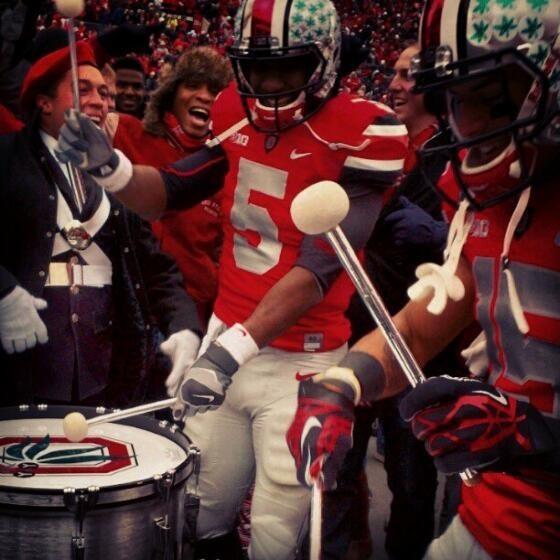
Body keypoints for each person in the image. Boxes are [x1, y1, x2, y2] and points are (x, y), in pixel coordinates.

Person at [54, 0, 408, 557]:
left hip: (301, 361)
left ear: (324, 62)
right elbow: (169, 190)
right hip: (229, 334)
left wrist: (228, 350)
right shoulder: (233, 111)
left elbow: (319, 266)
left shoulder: (366, 129)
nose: (267, 84)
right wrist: (110, 167)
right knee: (198, 510)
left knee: (272, 532)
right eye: (257, 67)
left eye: (286, 68)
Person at [287, 1, 560, 559]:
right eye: (458, 100)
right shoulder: (487, 200)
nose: (472, 124)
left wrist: (533, 436)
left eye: (494, 97)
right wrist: (344, 384)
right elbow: (414, 332)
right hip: (495, 512)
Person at [0, 42, 202, 408]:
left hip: (105, 375)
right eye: (84, 90)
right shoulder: (6, 158)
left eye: (104, 93)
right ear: (44, 103)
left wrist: (184, 327)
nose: (100, 101)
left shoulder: (121, 174)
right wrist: (3, 293)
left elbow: (155, 266)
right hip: (18, 375)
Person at [318, 41, 454, 560]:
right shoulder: (373, 140)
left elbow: (476, 250)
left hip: (418, 344)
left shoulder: (457, 152)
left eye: (407, 76)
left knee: (411, 482)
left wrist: (440, 234)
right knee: (336, 470)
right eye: (393, 73)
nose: (394, 85)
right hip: (353, 333)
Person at [110, 46, 232, 327]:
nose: (204, 95)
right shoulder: (124, 132)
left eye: (214, 91)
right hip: (122, 305)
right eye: (192, 85)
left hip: (187, 316)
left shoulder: (226, 168)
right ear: (171, 93)